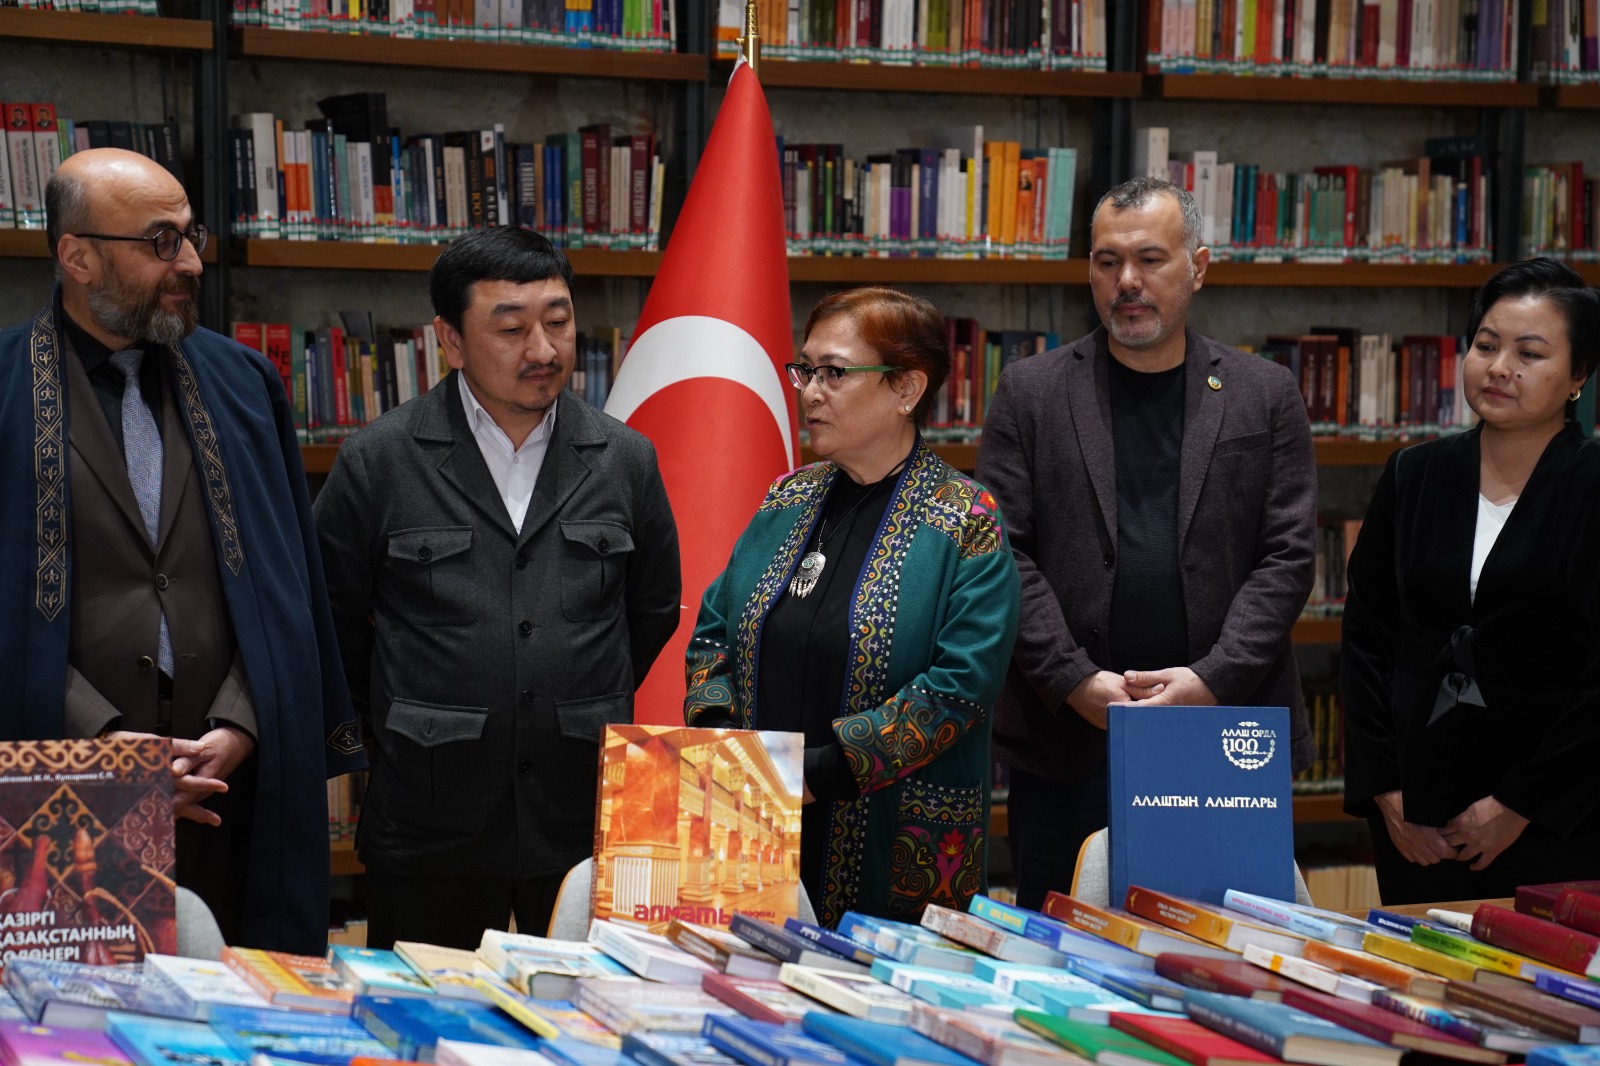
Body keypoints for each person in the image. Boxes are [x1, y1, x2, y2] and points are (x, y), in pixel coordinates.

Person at [0, 148, 365, 953]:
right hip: (61, 782)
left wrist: (241, 721)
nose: (192, 263)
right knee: (79, 1009)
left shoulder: (245, 384)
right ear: (77, 256)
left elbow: (288, 583)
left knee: (244, 995)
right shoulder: (4, 388)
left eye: (190, 236)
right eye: (161, 242)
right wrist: (99, 744)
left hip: (229, 782)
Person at [315, 226, 682, 949]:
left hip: (580, 811)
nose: (543, 350)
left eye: (558, 323)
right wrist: (411, 710)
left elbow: (651, 610)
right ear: (450, 340)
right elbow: (330, 621)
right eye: (511, 329)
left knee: (584, 1010)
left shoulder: (625, 458)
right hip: (431, 814)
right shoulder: (379, 460)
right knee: (427, 1008)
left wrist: (567, 692)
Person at [976, 177, 1319, 911]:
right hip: (1069, 737)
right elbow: (1002, 553)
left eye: (1150, 259)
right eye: (1107, 262)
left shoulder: (1265, 393)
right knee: (1061, 939)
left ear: (1199, 266)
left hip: (1223, 732)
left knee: (1223, 940)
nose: (1126, 281)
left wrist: (1213, 679)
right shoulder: (1031, 392)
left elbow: (1288, 556)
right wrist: (1073, 679)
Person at [684, 287, 1020, 928]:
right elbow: (713, 634)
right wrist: (727, 749)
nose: (810, 393)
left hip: (892, 845)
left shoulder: (967, 520)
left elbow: (960, 687)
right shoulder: (787, 499)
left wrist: (819, 773)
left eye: (833, 373)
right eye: (805, 370)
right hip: (748, 819)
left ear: (906, 389)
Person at [1342, 257, 1600, 902]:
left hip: (1558, 816)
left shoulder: (1592, 485)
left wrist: (1520, 805)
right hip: (1415, 819)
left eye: (1529, 353)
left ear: (1578, 376)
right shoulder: (1414, 474)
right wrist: (1387, 790)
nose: (1500, 367)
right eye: (1486, 346)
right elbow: (1367, 639)